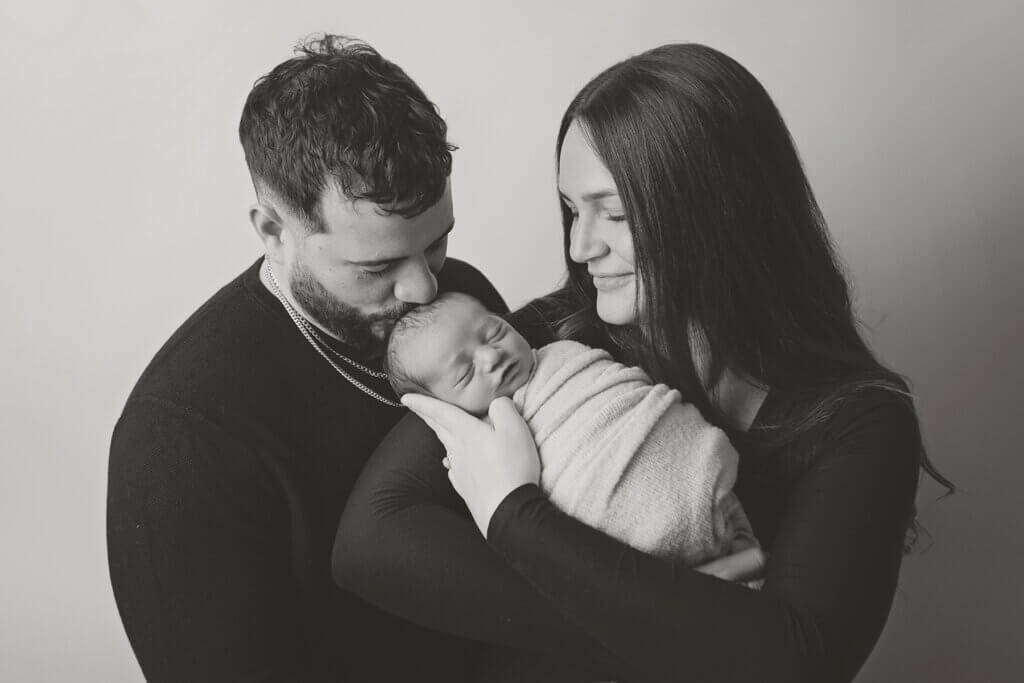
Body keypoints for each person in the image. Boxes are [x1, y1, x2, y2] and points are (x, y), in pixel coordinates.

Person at [333, 43, 955, 682]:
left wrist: (515, 516)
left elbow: (795, 663)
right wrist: (694, 635)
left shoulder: (858, 424)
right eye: (573, 210)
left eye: (616, 212)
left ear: (717, 211)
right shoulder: (551, 339)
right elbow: (371, 544)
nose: (580, 246)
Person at [106, 35, 506, 682]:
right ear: (272, 232)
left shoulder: (466, 299)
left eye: (436, 244)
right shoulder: (181, 438)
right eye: (377, 266)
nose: (425, 288)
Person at [384, 291, 757, 563]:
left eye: (494, 332)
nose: (491, 355)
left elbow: (629, 389)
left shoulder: (563, 354)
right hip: (634, 539)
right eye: (465, 372)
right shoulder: (485, 439)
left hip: (694, 463)